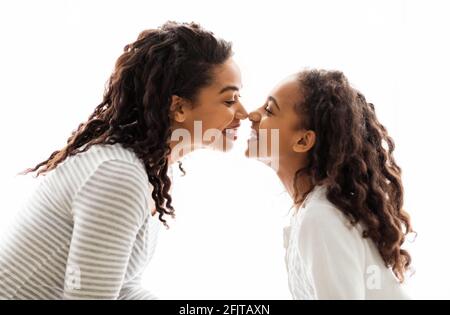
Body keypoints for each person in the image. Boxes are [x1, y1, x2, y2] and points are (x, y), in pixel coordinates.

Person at [0, 21, 247, 299]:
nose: (244, 113)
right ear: (178, 107)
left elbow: (122, 286)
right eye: (230, 100)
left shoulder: (147, 169)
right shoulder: (119, 174)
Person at [246, 69, 413, 299]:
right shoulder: (314, 212)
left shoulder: (321, 217)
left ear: (304, 140)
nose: (251, 115)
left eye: (269, 110)